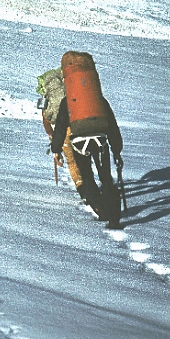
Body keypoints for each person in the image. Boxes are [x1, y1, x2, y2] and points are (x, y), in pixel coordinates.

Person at [38, 51, 124, 226]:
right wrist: (116, 148)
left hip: (78, 144)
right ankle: (114, 216)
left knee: (87, 176)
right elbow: (112, 125)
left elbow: (61, 127)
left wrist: (55, 148)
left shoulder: (67, 101)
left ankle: (100, 209)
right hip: (100, 141)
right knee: (106, 178)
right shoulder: (99, 99)